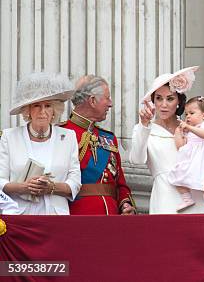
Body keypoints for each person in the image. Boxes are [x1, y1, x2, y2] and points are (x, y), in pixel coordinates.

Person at [130, 66, 204, 214]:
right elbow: (137, 160)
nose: (164, 104)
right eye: (159, 98)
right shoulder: (144, 129)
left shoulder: (193, 127)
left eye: (170, 98)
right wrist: (144, 126)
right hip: (165, 198)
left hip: (198, 198)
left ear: (179, 101)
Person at [0, 72, 81, 215]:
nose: (42, 112)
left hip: (55, 217)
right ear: (28, 111)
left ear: (55, 110)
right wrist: (23, 187)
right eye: (37, 105)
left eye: (48, 106)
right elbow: (1, 181)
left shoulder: (68, 137)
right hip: (19, 216)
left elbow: (74, 183)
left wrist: (51, 188)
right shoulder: (9, 137)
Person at [62, 75, 136, 215]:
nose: (110, 104)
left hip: (111, 216)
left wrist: (125, 204)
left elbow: (120, 183)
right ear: (92, 100)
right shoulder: (61, 134)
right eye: (107, 98)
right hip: (78, 216)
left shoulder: (108, 137)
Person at [168, 96, 204, 212]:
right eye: (186, 114)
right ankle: (187, 198)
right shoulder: (189, 130)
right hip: (191, 161)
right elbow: (181, 147)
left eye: (191, 113)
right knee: (177, 175)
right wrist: (179, 134)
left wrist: (189, 128)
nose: (188, 117)